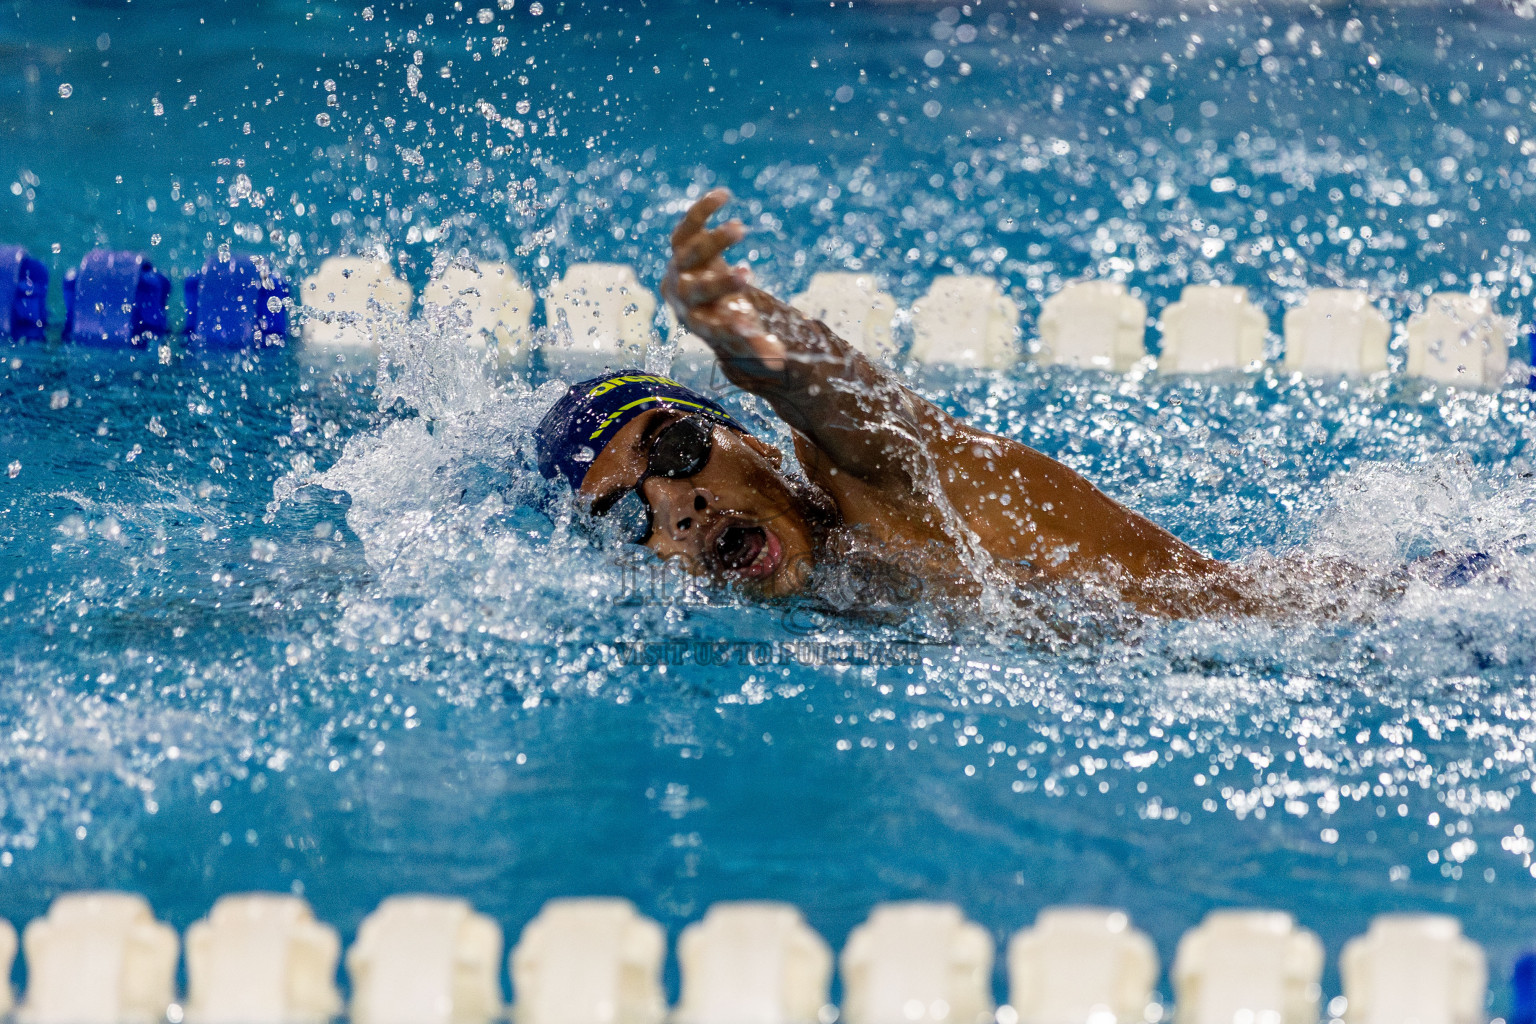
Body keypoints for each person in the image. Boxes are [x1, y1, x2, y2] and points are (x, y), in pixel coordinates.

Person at [536, 188, 1266, 618]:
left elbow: (850, 406)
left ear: (752, 440)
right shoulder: (825, 606)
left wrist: (766, 348)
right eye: (628, 511)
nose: (678, 506)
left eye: (675, 449)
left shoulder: (880, 490)